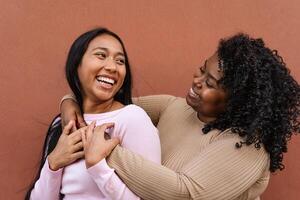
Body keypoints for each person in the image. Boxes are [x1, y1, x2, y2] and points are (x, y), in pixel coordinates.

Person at [60, 33, 300, 200]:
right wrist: (69, 102)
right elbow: (106, 105)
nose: (196, 81)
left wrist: (109, 153)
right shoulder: (175, 107)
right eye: (202, 69)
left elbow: (184, 193)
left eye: (210, 82)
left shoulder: (246, 148)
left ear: (237, 101)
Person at [25, 28, 161, 200]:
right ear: (76, 65)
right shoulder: (61, 123)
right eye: (101, 55)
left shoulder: (132, 119)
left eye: (120, 61)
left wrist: (98, 167)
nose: (112, 67)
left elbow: (153, 197)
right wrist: (53, 164)